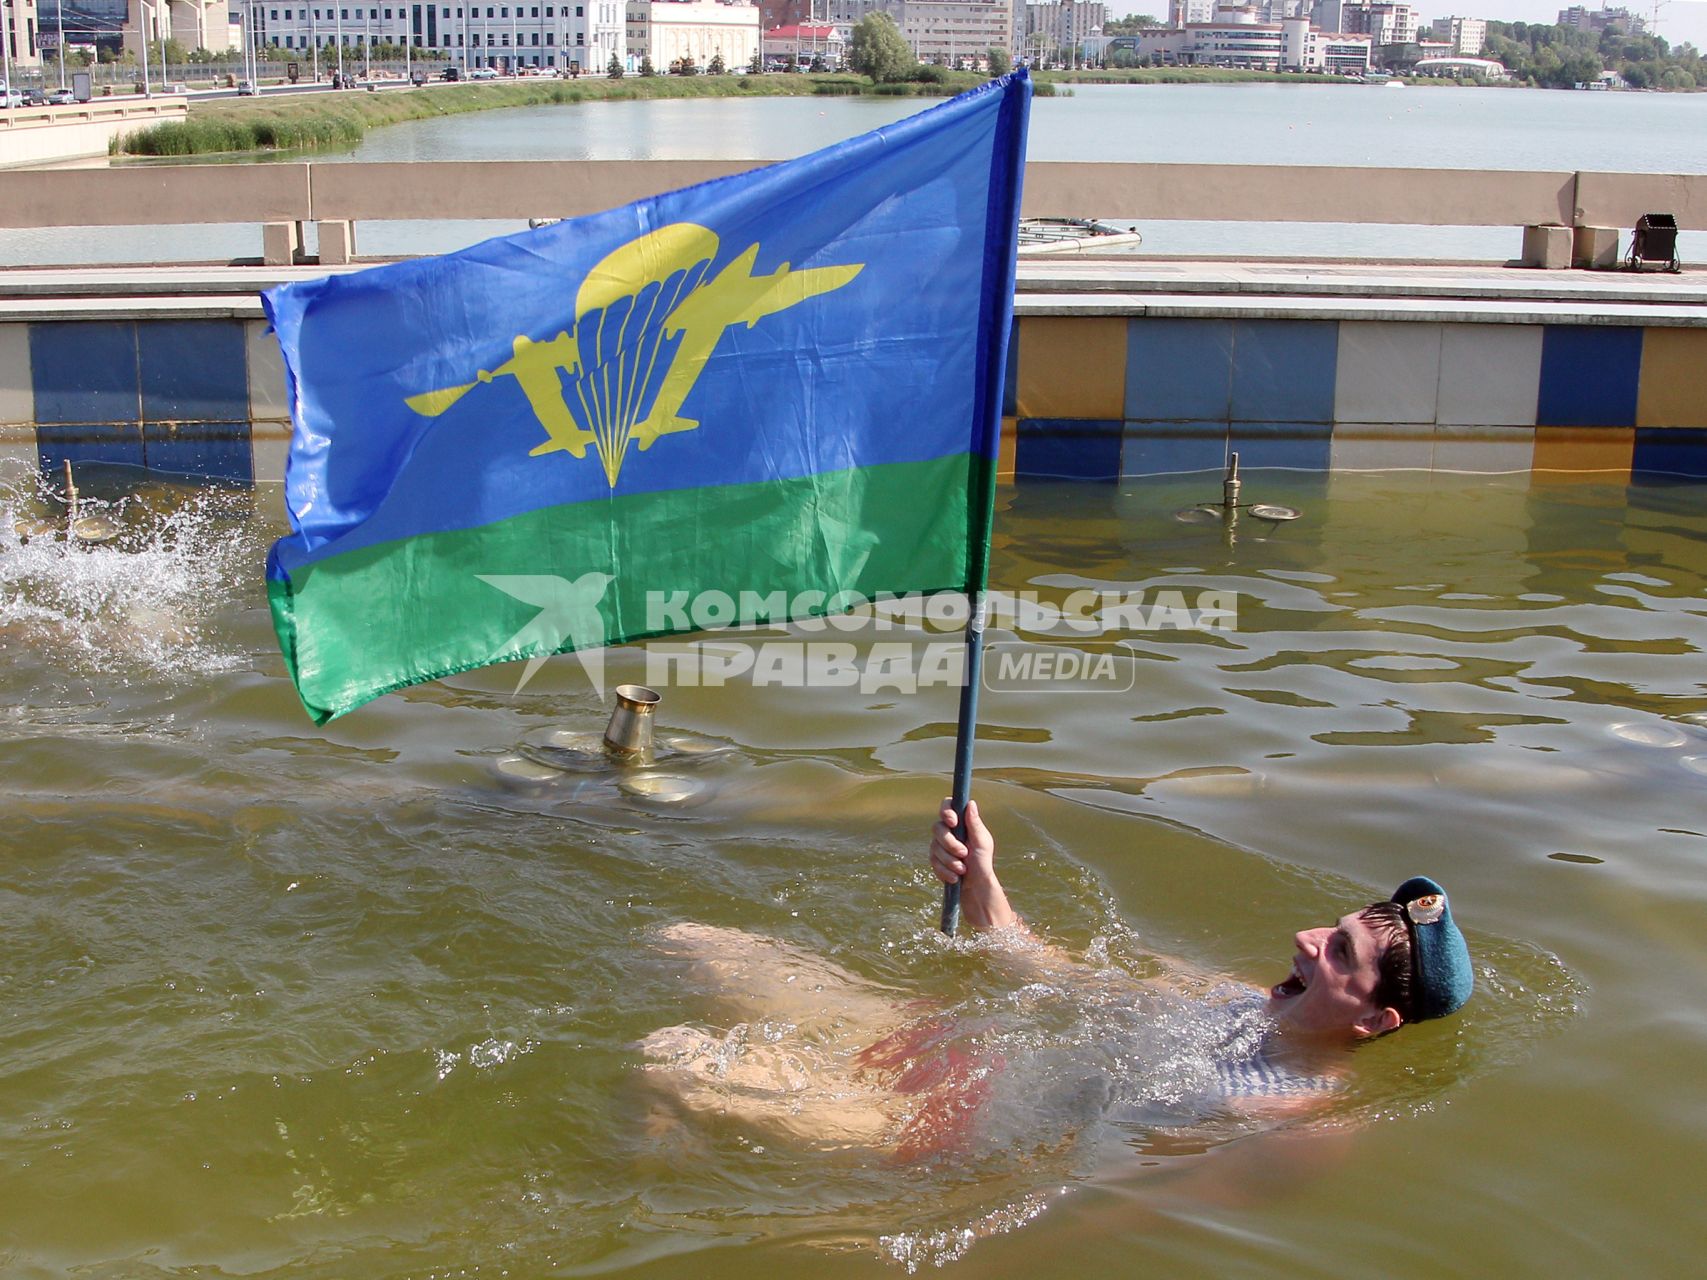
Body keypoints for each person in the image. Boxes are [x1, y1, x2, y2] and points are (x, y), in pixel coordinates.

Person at [639, 799, 1474, 1157]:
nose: (1305, 939)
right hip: (929, 1041)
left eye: (1337, 955)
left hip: (932, 1129)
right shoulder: (1223, 994)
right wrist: (978, 878)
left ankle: (651, 1159)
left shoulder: (1292, 1120)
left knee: (672, 1058)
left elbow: (1111, 1206)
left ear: (1374, 1022)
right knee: (683, 940)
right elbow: (1047, 972)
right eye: (1329, 929)